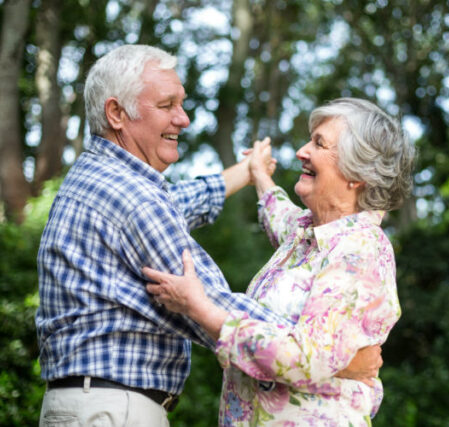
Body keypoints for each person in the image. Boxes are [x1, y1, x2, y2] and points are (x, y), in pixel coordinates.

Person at [35, 45, 378, 426]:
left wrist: (251, 173)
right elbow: (208, 301)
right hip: (113, 410)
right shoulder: (134, 199)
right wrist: (328, 355)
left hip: (93, 405)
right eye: (166, 105)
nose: (182, 118)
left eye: (181, 104)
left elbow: (177, 202)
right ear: (116, 113)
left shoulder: (103, 178)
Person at [143, 97, 416, 426]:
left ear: (356, 174)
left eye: (319, 143)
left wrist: (199, 308)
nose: (302, 150)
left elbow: (306, 359)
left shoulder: (359, 248)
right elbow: (279, 215)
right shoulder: (306, 234)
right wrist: (259, 175)